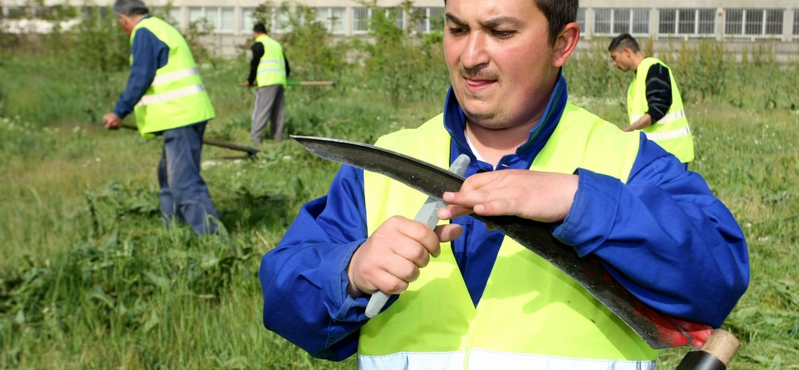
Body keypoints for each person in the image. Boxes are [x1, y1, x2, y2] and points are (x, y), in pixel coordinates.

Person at [259, 0, 749, 368]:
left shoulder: (627, 161)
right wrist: (350, 271)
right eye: (457, 28)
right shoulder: (384, 163)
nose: (471, 56)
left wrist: (582, 202)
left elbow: (718, 279)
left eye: (500, 31)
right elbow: (284, 296)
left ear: (563, 43)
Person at [103, 0, 222, 235]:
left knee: (183, 183)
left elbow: (140, 76)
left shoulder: (144, 32)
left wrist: (119, 111)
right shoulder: (160, 27)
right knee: (168, 179)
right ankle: (173, 232)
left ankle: (215, 241)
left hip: (180, 116)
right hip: (182, 116)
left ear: (123, 19)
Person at [609, 33, 694, 167]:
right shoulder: (639, 78)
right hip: (656, 155)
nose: (614, 63)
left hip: (670, 155)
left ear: (626, 52)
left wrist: (627, 131)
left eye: (614, 57)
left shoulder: (654, 69)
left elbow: (658, 108)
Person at [244, 23, 290, 143]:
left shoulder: (259, 44)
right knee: (278, 113)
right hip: (280, 82)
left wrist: (250, 80)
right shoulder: (276, 45)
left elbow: (254, 65)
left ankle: (255, 139)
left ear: (255, 33)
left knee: (261, 111)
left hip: (267, 82)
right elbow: (287, 67)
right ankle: (277, 138)